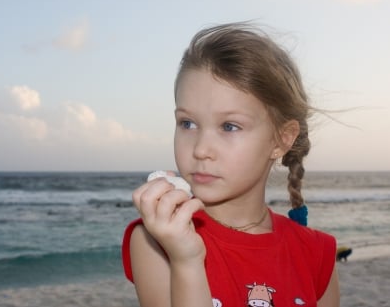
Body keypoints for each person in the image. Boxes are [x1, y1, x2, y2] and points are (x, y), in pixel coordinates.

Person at [122, 22, 340, 307]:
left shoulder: (316, 252)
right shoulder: (156, 242)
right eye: (187, 123)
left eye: (229, 126)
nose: (200, 149)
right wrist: (186, 260)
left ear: (281, 139)